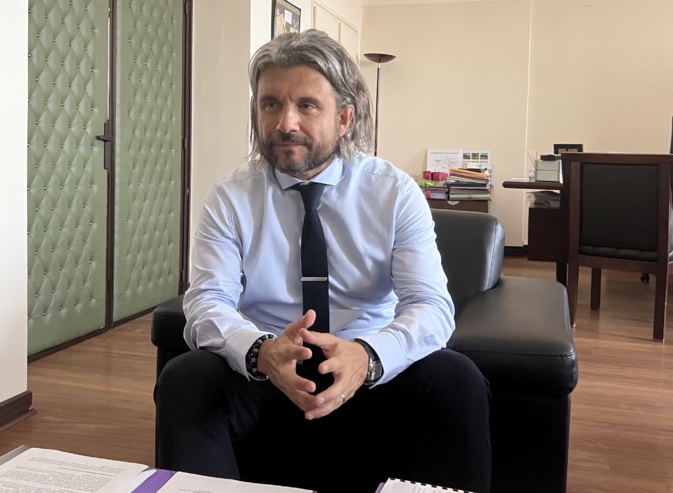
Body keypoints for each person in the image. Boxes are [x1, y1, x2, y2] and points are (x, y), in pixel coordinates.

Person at [155, 29, 491, 493]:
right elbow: (207, 300)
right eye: (270, 104)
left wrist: (367, 357)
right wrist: (260, 352)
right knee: (186, 378)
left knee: (456, 379)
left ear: (344, 118)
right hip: (269, 374)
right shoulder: (230, 197)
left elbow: (431, 306)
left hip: (369, 375)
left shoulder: (394, 193)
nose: (285, 123)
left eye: (307, 106)